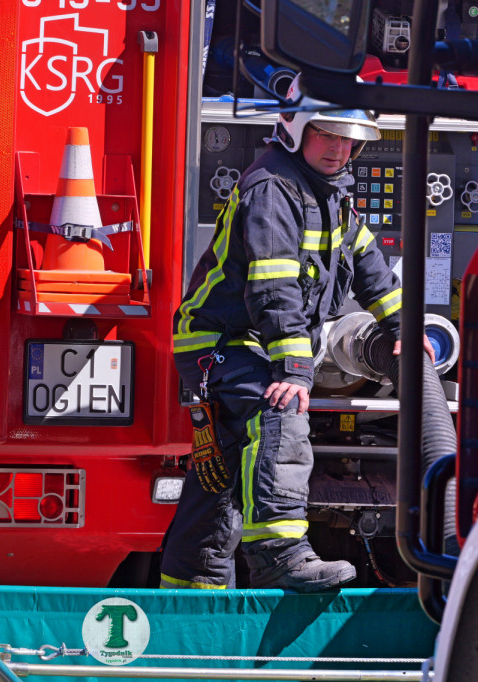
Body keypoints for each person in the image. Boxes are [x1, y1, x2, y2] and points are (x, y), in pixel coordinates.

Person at [162, 75, 434, 592]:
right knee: (279, 411)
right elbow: (273, 288)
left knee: (221, 479)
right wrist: (294, 370)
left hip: (254, 343)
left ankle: (187, 598)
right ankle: (279, 555)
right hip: (221, 341)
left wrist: (403, 326)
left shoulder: (332, 194)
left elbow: (369, 264)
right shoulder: (272, 189)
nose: (339, 149)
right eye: (326, 134)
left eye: (349, 139)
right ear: (295, 128)